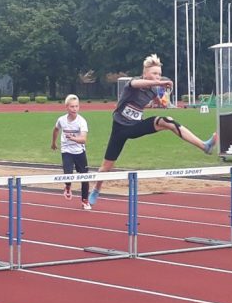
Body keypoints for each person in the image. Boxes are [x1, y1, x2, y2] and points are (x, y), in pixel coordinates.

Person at [87, 53, 216, 206]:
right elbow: (137, 84)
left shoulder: (154, 89)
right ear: (145, 73)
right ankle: (96, 189)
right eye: (154, 73)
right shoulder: (133, 83)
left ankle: (204, 146)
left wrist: (163, 98)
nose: (157, 77)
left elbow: (159, 102)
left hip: (136, 127)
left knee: (168, 121)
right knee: (106, 167)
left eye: (159, 74)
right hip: (120, 129)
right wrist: (161, 83)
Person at [51, 94, 92, 210]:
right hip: (66, 150)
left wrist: (73, 138)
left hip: (79, 151)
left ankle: (85, 200)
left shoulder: (82, 121)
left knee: (84, 176)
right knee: (68, 174)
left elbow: (83, 139)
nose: (74, 109)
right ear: (67, 107)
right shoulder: (61, 120)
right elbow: (56, 129)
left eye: (76, 106)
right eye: (72, 106)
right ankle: (68, 186)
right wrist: (53, 143)